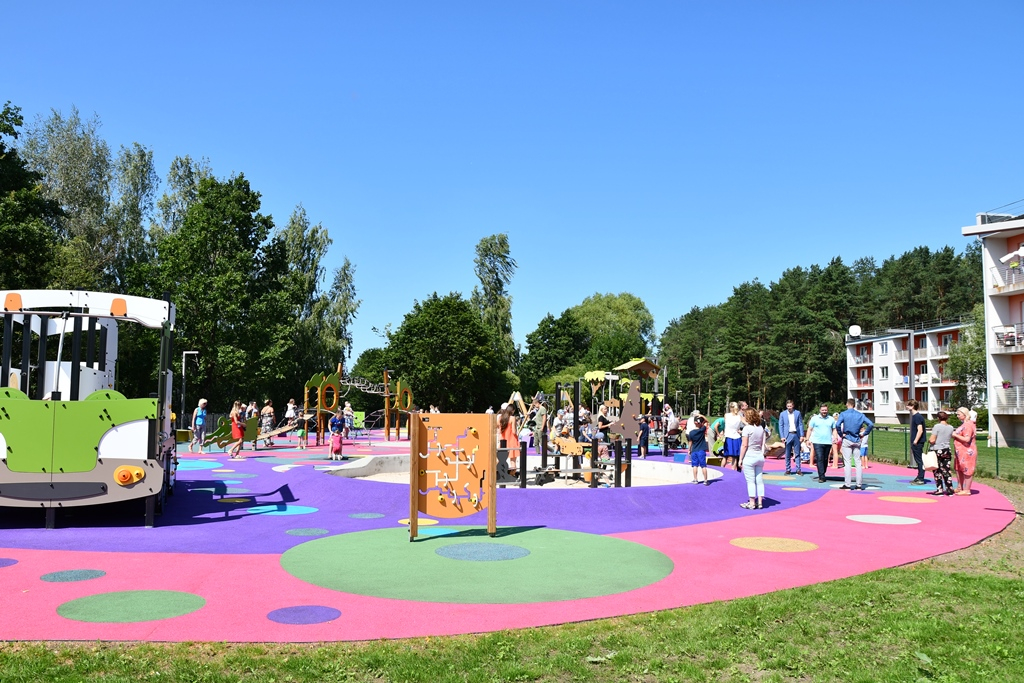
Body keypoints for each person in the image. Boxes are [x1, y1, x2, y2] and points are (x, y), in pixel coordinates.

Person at [836, 398, 874, 490]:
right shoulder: (860, 415)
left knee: (847, 462)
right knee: (858, 462)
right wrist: (864, 433)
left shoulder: (843, 414)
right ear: (854, 405)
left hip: (847, 438)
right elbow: (871, 424)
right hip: (857, 439)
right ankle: (859, 485)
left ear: (847, 404)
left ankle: (847, 484)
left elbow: (837, 425)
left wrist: (841, 434)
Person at [739, 408, 766, 509]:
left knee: (750, 481)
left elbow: (744, 445)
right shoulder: (760, 428)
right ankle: (760, 502)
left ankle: (751, 502)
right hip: (759, 455)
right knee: (759, 480)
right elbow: (763, 444)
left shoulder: (747, 429)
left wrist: (740, 459)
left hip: (750, 456)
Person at [805, 404, 836, 483]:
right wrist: (807, 439)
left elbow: (834, 429)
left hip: (828, 442)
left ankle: (823, 472)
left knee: (825, 459)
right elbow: (810, 429)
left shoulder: (831, 419)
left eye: (825, 410)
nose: (824, 412)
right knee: (819, 458)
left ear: (827, 410)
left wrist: (835, 437)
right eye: (823, 410)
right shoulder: (814, 419)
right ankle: (821, 476)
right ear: (820, 410)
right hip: (817, 442)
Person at [951, 407, 977, 496]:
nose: (957, 416)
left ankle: (967, 489)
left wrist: (955, 435)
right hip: (959, 451)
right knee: (959, 469)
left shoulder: (968, 425)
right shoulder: (963, 425)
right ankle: (960, 487)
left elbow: (967, 439)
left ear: (965, 414)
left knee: (967, 469)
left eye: (959, 414)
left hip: (967, 451)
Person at [928, 410, 955, 496]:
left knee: (937, 470)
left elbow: (932, 440)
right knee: (946, 470)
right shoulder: (951, 427)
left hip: (937, 449)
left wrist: (929, 440)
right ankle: (950, 489)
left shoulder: (937, 426)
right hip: (946, 449)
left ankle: (939, 489)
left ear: (938, 418)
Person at [778, 400, 804, 476]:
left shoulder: (797, 413)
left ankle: (798, 469)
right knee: (787, 453)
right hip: (787, 435)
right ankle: (788, 469)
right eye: (788, 406)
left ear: (793, 406)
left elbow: (800, 424)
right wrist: (782, 436)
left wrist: (802, 435)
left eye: (790, 406)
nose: (789, 407)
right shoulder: (782, 414)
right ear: (786, 406)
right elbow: (781, 425)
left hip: (796, 434)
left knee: (797, 453)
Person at [687, 415, 711, 485]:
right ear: (700, 423)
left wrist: (689, 450)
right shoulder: (702, 429)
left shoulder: (691, 433)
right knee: (703, 466)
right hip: (701, 450)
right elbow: (707, 421)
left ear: (694, 423)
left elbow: (690, 442)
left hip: (694, 450)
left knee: (695, 465)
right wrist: (702, 416)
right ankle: (705, 480)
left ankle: (695, 479)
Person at [908, 400, 927, 485]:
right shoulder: (915, 416)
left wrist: (915, 441)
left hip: (918, 442)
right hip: (916, 442)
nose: (907, 406)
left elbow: (920, 430)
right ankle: (919, 476)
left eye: (908, 405)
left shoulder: (917, 417)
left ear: (912, 406)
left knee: (919, 460)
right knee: (917, 459)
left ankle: (921, 478)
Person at [498, 405, 520, 472]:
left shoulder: (500, 418)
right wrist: (518, 433)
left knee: (499, 459)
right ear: (512, 410)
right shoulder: (512, 418)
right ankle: (513, 476)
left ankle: (498, 473)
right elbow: (514, 431)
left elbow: (499, 430)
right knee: (513, 461)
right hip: (512, 440)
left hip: (503, 440)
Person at [723, 402, 743, 470]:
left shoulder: (727, 415)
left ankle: (723, 469)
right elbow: (746, 423)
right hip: (734, 437)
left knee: (727, 456)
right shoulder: (739, 417)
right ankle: (731, 470)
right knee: (733, 456)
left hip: (730, 436)